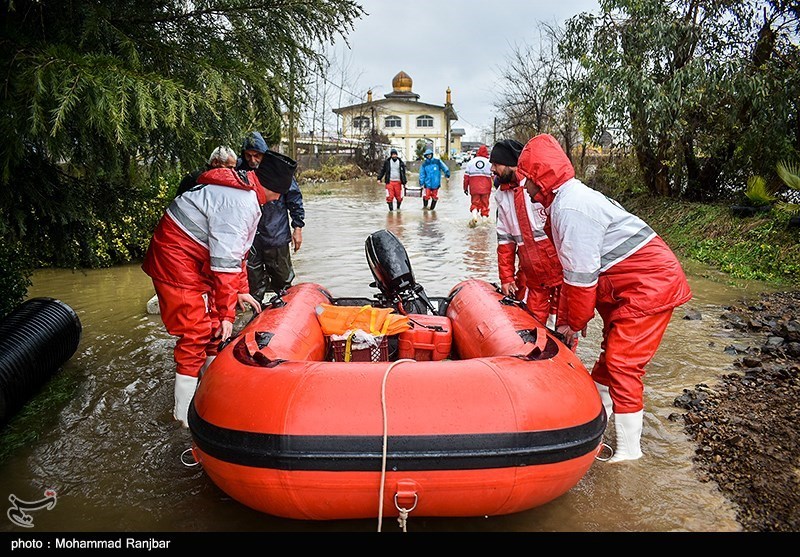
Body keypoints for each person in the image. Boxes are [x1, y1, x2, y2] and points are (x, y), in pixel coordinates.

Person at [516, 133, 693, 462]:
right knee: (610, 358)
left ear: (542, 178)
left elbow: (581, 280)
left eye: (527, 181)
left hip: (647, 286)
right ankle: (598, 421)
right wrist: (570, 319)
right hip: (631, 287)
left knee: (623, 364)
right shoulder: (566, 202)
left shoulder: (571, 208)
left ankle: (629, 454)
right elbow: (572, 276)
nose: (525, 190)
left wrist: (572, 324)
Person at [142, 149, 297, 428]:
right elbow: (226, 263)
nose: (278, 201)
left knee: (212, 329)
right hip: (177, 261)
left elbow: (238, 254)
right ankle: (184, 419)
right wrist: (227, 315)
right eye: (279, 195)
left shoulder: (247, 195)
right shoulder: (242, 203)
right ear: (273, 189)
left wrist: (241, 289)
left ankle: (212, 391)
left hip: (196, 260)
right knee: (195, 333)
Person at [490, 139, 563, 328]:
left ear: (509, 164)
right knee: (533, 323)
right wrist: (506, 278)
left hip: (559, 270)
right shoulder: (501, 195)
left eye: (496, 164)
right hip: (533, 274)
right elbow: (505, 241)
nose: (492, 169)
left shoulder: (537, 185)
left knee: (561, 322)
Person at [236, 132, 306, 303]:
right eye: (248, 155)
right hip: (250, 239)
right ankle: (254, 315)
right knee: (253, 283)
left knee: (283, 280)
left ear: (264, 154)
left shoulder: (278, 171)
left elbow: (295, 199)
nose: (253, 160)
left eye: (257, 155)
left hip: (276, 234)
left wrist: (297, 228)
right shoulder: (238, 171)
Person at [463, 144, 493, 225]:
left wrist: (465, 188)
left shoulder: (471, 162)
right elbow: (494, 176)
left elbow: (466, 177)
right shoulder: (489, 163)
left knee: (474, 203)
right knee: (485, 204)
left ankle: (474, 217)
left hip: (474, 188)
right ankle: (484, 221)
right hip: (486, 188)